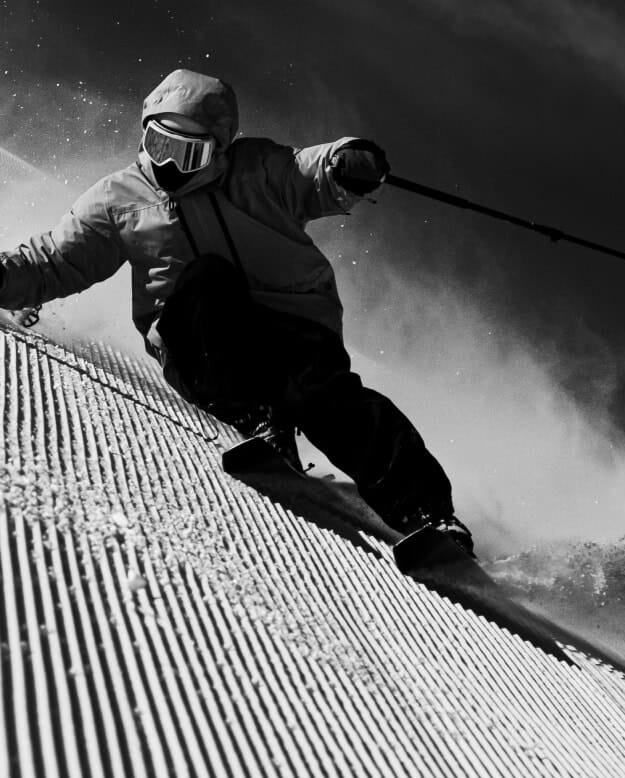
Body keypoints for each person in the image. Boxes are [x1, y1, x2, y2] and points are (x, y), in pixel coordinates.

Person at [0, 69, 474, 557]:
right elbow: (55, 261)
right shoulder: (119, 200)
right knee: (206, 279)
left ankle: (429, 515)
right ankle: (259, 417)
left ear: (219, 149)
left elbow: (308, 173)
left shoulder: (255, 170)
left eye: (188, 154)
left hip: (294, 329)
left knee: (332, 402)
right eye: (159, 144)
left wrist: (343, 164)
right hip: (201, 344)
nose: (168, 165)